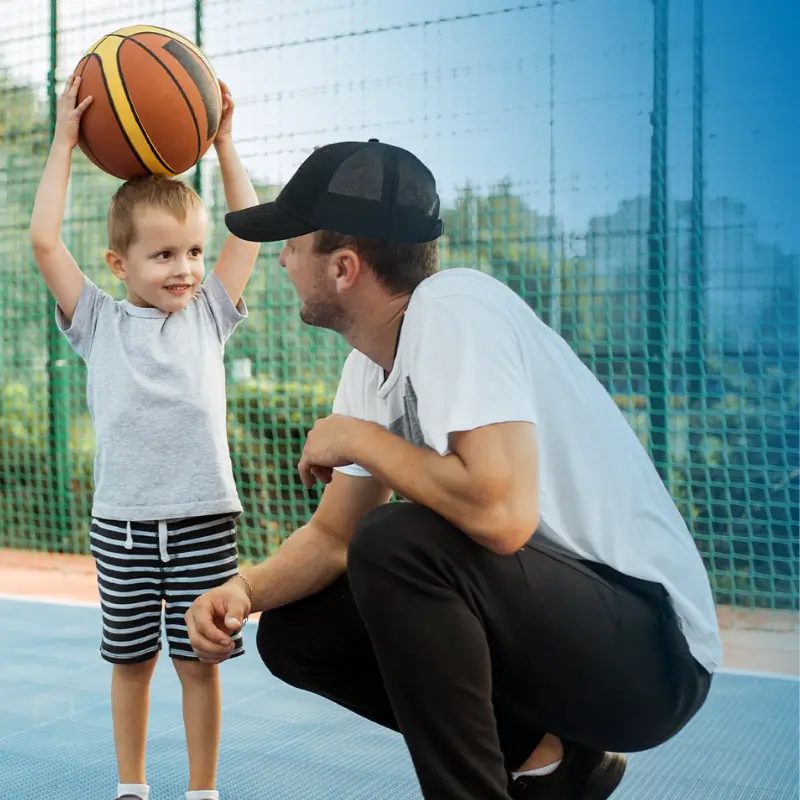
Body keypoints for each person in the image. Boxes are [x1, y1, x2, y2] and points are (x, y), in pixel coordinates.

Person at [185, 139, 721, 800]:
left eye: (293, 243)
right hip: (568, 632)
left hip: (653, 653)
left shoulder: (454, 308)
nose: (283, 258)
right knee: (297, 634)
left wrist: (359, 440)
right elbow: (332, 539)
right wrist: (244, 590)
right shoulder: (367, 369)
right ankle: (551, 765)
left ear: (344, 267)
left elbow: (503, 515)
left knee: (396, 543)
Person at [29, 74, 260, 800]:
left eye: (192, 252)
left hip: (201, 523)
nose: (187, 268)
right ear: (118, 265)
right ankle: (132, 787)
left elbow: (246, 227)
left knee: (201, 663)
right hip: (123, 529)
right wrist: (65, 141)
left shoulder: (210, 315)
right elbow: (43, 239)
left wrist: (223, 143)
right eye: (164, 256)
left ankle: (202, 790)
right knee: (131, 663)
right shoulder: (97, 322)